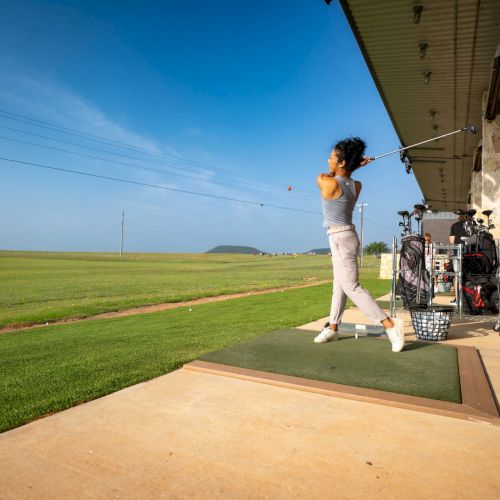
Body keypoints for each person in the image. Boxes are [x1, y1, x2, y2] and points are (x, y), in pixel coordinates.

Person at [314, 137, 405, 352]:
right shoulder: (356, 184)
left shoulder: (327, 181)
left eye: (332, 157)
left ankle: (390, 325)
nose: (328, 160)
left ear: (342, 163)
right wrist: (354, 167)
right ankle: (333, 327)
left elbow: (324, 176)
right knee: (340, 284)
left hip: (340, 238)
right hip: (346, 236)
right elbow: (343, 176)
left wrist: (355, 166)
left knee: (351, 286)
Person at [449, 214, 468, 304]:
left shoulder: (454, 225)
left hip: (457, 253)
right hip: (469, 253)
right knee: (468, 276)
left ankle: (457, 299)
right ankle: (468, 299)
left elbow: (452, 241)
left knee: (457, 276)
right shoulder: (471, 225)